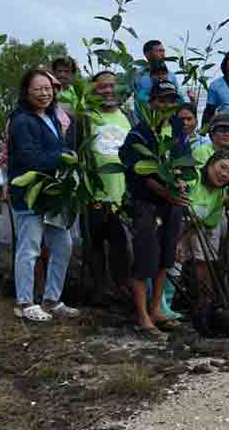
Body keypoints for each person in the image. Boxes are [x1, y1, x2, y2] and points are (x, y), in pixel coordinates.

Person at [120, 79, 191, 338]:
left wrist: (181, 182)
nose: (166, 105)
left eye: (171, 100)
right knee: (144, 260)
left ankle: (157, 308)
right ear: (151, 103)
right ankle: (142, 316)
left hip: (171, 205)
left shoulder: (177, 128)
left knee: (165, 258)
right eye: (161, 100)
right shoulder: (138, 134)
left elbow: (184, 161)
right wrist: (167, 193)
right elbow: (141, 173)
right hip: (146, 203)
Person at [7, 69, 79, 322]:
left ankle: (51, 299)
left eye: (47, 88)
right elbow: (30, 158)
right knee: (29, 249)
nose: (44, 93)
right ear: (26, 92)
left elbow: (55, 149)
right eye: (38, 89)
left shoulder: (50, 116)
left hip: (52, 194)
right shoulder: (21, 120)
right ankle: (25, 302)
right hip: (31, 193)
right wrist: (62, 157)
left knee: (63, 245)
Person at [85, 70, 132, 302]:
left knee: (121, 246)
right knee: (94, 245)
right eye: (102, 86)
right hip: (94, 194)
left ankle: (122, 290)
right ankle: (99, 291)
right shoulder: (86, 118)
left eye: (112, 86)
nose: (108, 90)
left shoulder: (130, 117)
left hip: (122, 196)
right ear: (93, 90)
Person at [182, 150, 229, 326]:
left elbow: (210, 224)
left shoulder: (221, 193)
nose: (225, 174)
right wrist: (177, 242)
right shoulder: (192, 178)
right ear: (210, 164)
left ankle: (204, 304)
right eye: (222, 167)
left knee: (204, 263)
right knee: (171, 266)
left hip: (196, 229)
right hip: (174, 229)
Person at [133, 40, 186, 118]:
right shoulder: (138, 75)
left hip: (167, 118)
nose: (163, 54)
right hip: (144, 118)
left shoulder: (171, 75)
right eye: (159, 51)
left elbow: (179, 98)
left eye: (163, 51)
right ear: (147, 54)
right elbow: (138, 97)